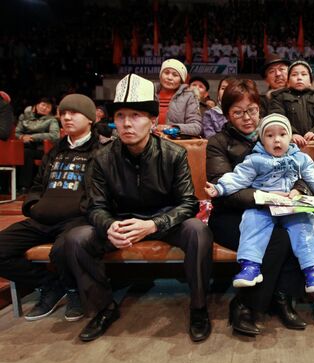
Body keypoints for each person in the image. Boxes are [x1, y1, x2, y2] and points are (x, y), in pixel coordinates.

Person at [63, 74, 213, 342]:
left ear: (153, 120)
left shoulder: (173, 154)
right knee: (75, 239)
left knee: (198, 232)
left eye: (136, 115)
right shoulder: (102, 157)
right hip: (122, 222)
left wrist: (155, 224)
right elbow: (94, 205)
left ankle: (199, 307)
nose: (127, 123)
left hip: (163, 221)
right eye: (120, 116)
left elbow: (188, 203)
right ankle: (104, 307)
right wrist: (109, 226)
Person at [207, 79, 314, 334]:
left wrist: (299, 191)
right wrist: (267, 197)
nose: (247, 118)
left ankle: (283, 298)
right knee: (277, 236)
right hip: (235, 213)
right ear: (227, 114)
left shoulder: (279, 135)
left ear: (259, 109)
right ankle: (248, 305)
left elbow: (305, 172)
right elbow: (223, 187)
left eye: (251, 110)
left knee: (299, 226)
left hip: (283, 206)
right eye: (237, 112)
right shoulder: (219, 141)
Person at [206, 113, 314, 292]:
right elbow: (238, 178)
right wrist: (219, 188)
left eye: (282, 134)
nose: (277, 140)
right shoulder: (255, 159)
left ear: (290, 137)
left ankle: (312, 270)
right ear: (262, 140)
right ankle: (250, 267)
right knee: (251, 220)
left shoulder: (300, 159)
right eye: (270, 136)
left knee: (307, 223)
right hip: (265, 206)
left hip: (291, 206)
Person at [0, 94, 99, 322]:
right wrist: (32, 205)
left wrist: (84, 210)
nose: (66, 117)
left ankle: (73, 290)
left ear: (90, 119)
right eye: (63, 113)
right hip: (41, 218)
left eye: (73, 113)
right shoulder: (54, 151)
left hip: (77, 219)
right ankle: (50, 285)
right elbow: (36, 185)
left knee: (61, 250)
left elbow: (104, 191)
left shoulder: (102, 151)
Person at [268, 60, 314, 147]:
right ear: (288, 82)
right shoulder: (279, 97)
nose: (299, 78)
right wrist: (292, 133)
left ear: (310, 82)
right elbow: (277, 118)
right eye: (294, 75)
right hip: (288, 145)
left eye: (304, 74)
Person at [15, 97, 60, 192]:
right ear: (36, 105)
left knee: (26, 153)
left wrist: (33, 137)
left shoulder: (52, 120)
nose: (45, 108)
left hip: (42, 149)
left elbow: (54, 135)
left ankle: (24, 186)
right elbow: (17, 133)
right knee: (18, 152)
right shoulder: (24, 117)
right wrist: (22, 137)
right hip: (24, 145)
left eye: (48, 107)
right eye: (43, 105)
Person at [155, 58, 202, 137]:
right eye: (166, 73)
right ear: (160, 75)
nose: (169, 78)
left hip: (175, 143)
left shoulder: (189, 96)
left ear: (181, 80)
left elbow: (196, 127)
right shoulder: (149, 91)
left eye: (175, 75)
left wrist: (172, 128)